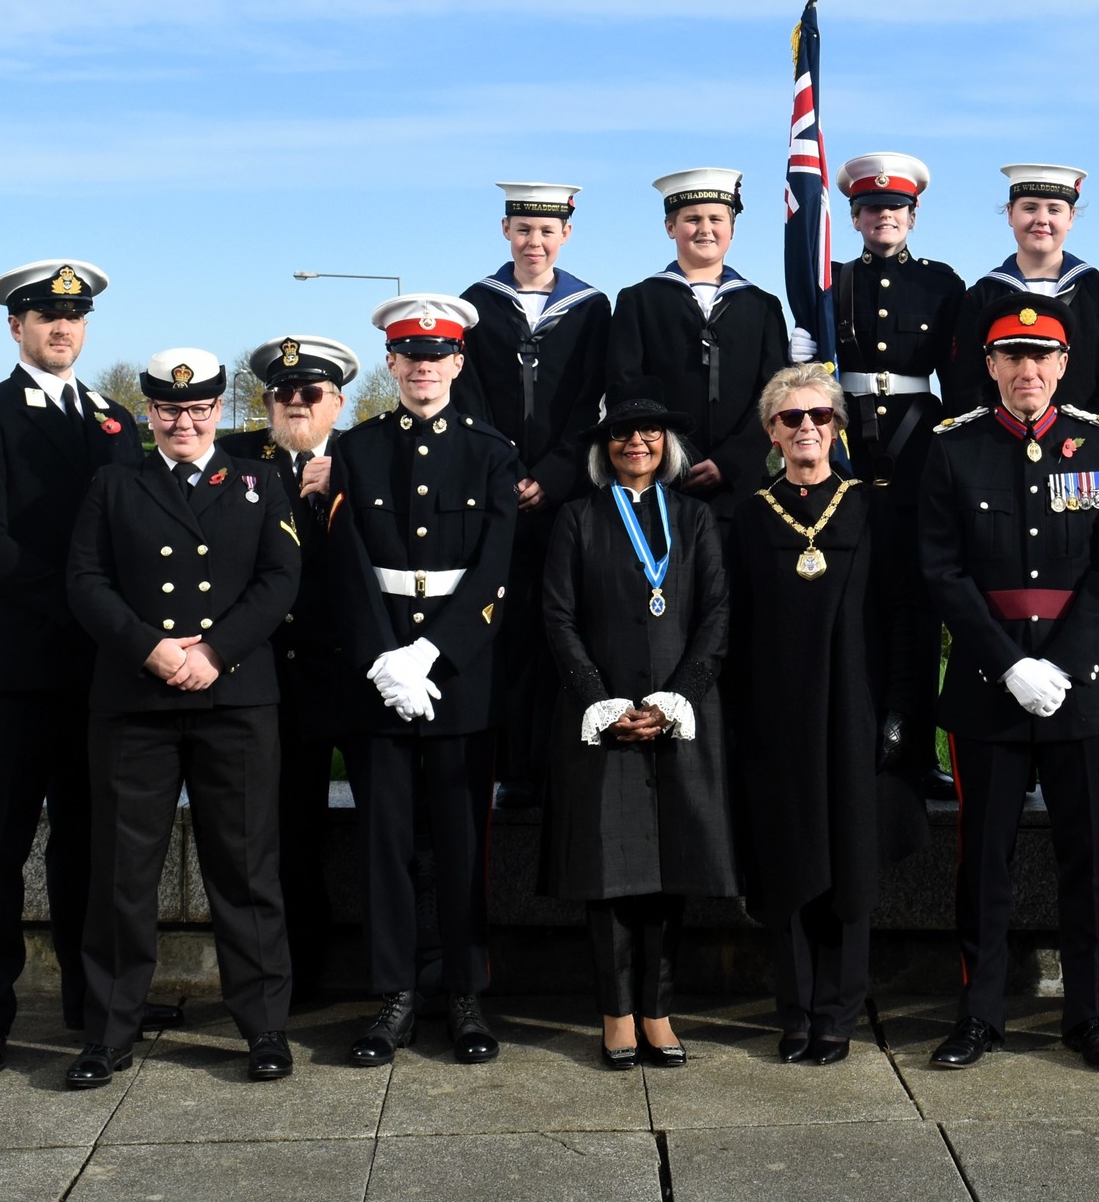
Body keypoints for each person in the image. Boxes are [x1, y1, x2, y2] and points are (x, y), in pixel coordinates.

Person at [0, 260, 169, 1079]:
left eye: (73, 318)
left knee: (90, 847)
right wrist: (89, 606)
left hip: (96, 676)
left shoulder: (113, 420)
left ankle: (92, 1004)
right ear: (16, 328)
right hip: (11, 671)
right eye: (45, 318)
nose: (61, 329)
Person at [63, 348, 302, 1087]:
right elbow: (86, 579)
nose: (184, 422)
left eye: (199, 409)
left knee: (246, 866)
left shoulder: (261, 481)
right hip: (138, 699)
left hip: (233, 698)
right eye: (169, 409)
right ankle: (108, 1032)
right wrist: (151, 649)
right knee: (121, 873)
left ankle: (263, 1027)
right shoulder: (115, 483)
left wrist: (216, 653)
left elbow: (281, 579)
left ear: (219, 411)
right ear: (149, 413)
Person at [918, 296, 1099, 1072]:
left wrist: (1067, 661)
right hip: (988, 681)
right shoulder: (954, 449)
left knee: (1090, 862)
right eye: (1011, 358)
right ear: (990, 367)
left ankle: (1092, 1017)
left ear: (1063, 365)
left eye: (1040, 358)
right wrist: (1008, 662)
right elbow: (941, 568)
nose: (1027, 372)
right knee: (984, 862)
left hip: (1076, 683)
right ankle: (978, 1016)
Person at [327, 295, 518, 1067]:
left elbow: (497, 568)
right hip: (377, 674)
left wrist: (430, 655)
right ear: (391, 364)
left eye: (437, 358)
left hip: (459, 672)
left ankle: (465, 991)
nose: (424, 370)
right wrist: (385, 659)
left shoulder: (491, 451)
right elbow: (344, 563)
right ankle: (395, 994)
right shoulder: (357, 448)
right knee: (386, 844)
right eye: (410, 357)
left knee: (460, 842)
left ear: (458, 364)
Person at [728, 365, 929, 1065]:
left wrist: (905, 710)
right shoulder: (750, 516)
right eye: (791, 418)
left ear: (838, 426)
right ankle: (796, 1010)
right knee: (786, 863)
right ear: (771, 432)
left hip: (856, 713)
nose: (806, 426)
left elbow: (908, 617)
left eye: (819, 415)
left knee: (847, 864)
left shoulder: (873, 509)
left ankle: (839, 1012)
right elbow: (734, 628)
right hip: (776, 720)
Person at [541, 379, 735, 1070]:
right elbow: (558, 618)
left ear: (667, 444)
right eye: (622, 434)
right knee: (610, 877)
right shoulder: (576, 519)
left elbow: (715, 615)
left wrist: (677, 698)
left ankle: (658, 1011)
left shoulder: (695, 518)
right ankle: (616, 1015)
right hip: (603, 722)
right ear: (605, 448)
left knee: (667, 876)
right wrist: (602, 700)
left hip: (678, 719)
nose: (636, 443)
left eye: (649, 432)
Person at [788, 152, 964, 801]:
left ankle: (915, 749)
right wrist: (799, 350)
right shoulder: (830, 284)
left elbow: (961, 375)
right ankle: (851, 741)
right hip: (846, 453)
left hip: (920, 454)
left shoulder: (944, 284)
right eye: (870, 208)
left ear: (912, 215)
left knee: (917, 607)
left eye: (894, 207)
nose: (882, 216)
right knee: (851, 603)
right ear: (855, 217)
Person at [455, 181, 611, 812]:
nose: (534, 242)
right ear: (505, 231)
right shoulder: (474, 305)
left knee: (566, 629)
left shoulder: (591, 307)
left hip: (564, 495)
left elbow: (590, 401)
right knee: (507, 632)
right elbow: (469, 400)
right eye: (523, 230)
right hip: (498, 495)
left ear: (565, 235)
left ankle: (563, 762)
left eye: (547, 231)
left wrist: (552, 473)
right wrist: (507, 472)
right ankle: (513, 766)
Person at [220, 334, 363, 997]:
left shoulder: (369, 456)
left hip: (363, 677)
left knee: (389, 832)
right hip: (276, 676)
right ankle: (295, 976)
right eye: (283, 394)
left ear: (338, 401)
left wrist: (349, 486)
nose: (295, 404)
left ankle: (392, 974)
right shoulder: (240, 458)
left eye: (311, 394)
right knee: (283, 834)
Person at [606, 169, 787, 530]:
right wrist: (676, 457)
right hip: (665, 479)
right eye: (692, 219)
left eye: (716, 219)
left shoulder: (762, 305)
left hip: (743, 488)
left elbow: (774, 396)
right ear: (670, 227)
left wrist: (731, 461)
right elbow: (625, 390)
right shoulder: (639, 301)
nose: (705, 229)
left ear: (732, 229)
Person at [945, 164, 1099, 427]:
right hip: (997, 450)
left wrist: (1093, 440)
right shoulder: (981, 296)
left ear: (1071, 218)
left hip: (1082, 451)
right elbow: (964, 381)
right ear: (1010, 214)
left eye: (1054, 209)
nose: (1041, 219)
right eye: (1030, 207)